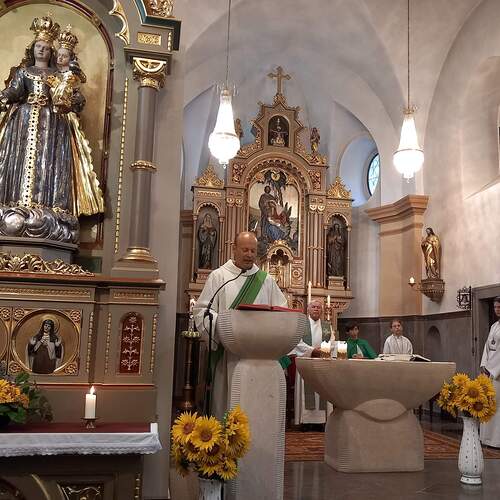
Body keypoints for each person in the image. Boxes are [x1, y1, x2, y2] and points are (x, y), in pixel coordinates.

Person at [0, 17, 103, 244]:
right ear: (33, 48)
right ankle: (15, 204)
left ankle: (46, 206)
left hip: (52, 123)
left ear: (52, 52)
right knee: (18, 160)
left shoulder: (59, 75)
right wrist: (3, 98)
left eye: (46, 48)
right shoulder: (23, 72)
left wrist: (70, 100)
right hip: (23, 122)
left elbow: (76, 99)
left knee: (49, 163)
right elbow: (13, 91)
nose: (42, 50)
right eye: (39, 46)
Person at [194, 231, 287, 418]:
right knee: (227, 407)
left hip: (259, 357)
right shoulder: (219, 276)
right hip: (228, 356)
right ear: (234, 249)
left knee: (255, 411)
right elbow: (202, 311)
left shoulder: (266, 281)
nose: (249, 255)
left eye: (253, 251)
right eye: (245, 250)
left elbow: (281, 313)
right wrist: (226, 327)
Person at [290, 299, 334, 426]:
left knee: (321, 391)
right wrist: (312, 350)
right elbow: (297, 342)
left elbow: (332, 343)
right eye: (313, 307)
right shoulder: (301, 325)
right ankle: (305, 421)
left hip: (321, 363)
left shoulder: (327, 326)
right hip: (306, 363)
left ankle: (321, 421)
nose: (316, 309)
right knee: (306, 393)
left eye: (318, 307)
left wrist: (323, 350)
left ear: (322, 311)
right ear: (308, 309)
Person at [480, 296, 500, 447]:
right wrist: (484, 365)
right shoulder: (494, 326)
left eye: (499, 307)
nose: (497, 310)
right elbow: (487, 347)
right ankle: (487, 438)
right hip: (489, 371)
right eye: (495, 307)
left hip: (498, 372)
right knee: (488, 404)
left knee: (497, 405)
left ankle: (496, 440)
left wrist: (495, 369)